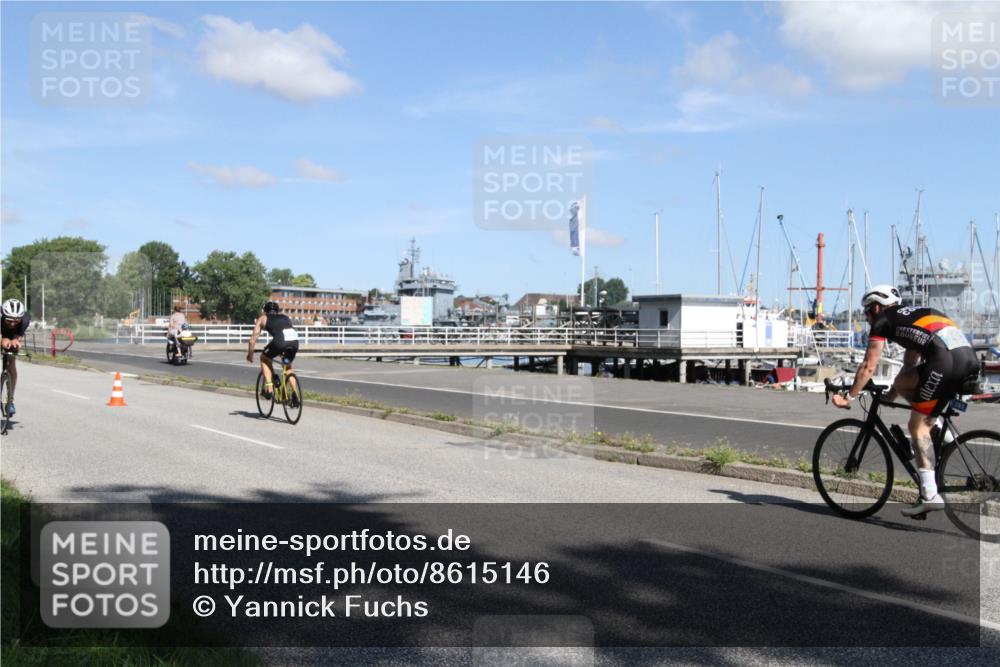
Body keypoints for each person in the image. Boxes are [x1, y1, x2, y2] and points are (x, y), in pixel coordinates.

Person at [832, 285, 979, 516]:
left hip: (945, 363)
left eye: (868, 312)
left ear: (877, 307)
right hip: (969, 361)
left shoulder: (884, 320)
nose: (868, 318)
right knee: (903, 384)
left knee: (916, 427)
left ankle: (930, 494)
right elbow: (909, 366)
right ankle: (945, 438)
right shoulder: (914, 315)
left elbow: (869, 365)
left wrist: (849, 396)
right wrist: (893, 392)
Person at [247, 301, 299, 401]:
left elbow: (252, 340)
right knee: (288, 367)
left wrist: (250, 354)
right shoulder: (285, 317)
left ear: (264, 311)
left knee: (264, 358)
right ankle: (295, 394)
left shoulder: (263, 318)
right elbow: (283, 332)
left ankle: (270, 389)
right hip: (294, 342)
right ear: (277, 311)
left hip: (280, 342)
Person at [1, 298, 30, 417]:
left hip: (12, 335)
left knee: (11, 363)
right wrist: (2, 339)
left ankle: (10, 401)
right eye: (9, 321)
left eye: (16, 321)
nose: (12, 323)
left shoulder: (25, 319)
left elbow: (18, 336)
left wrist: (15, 341)